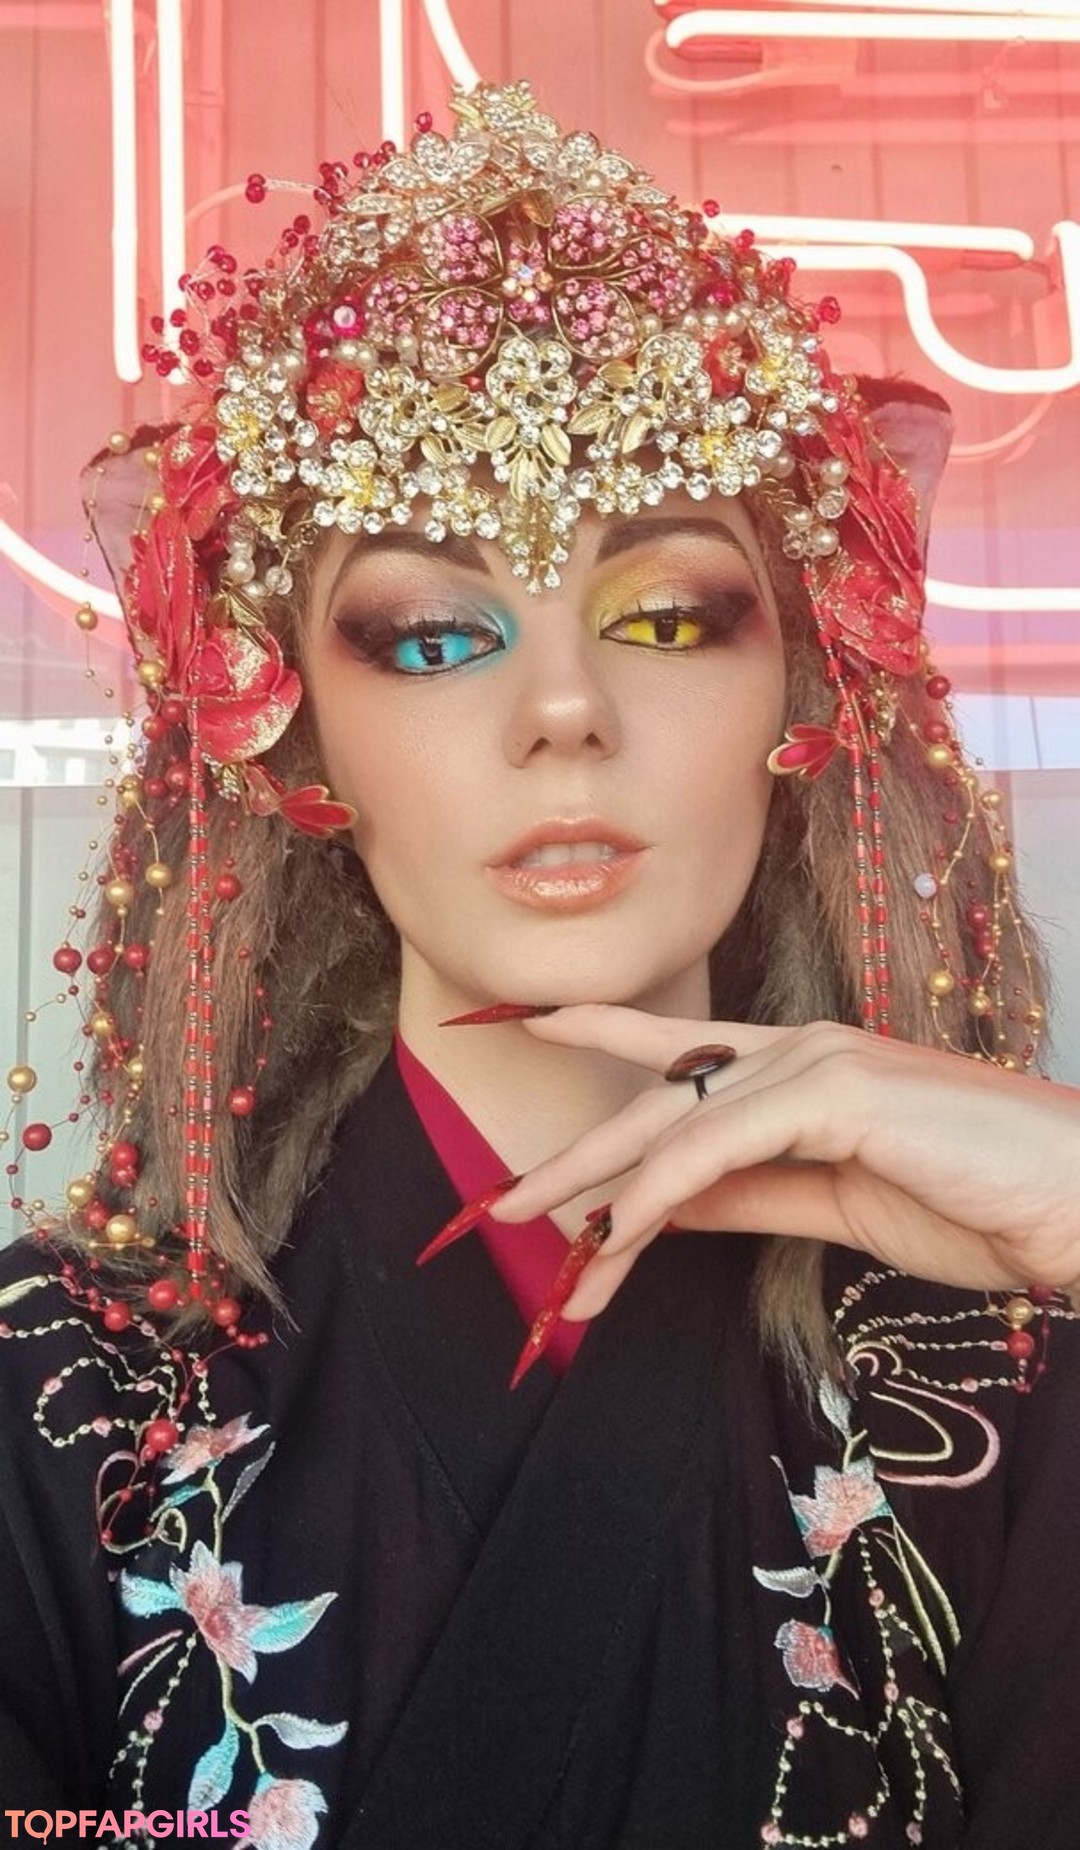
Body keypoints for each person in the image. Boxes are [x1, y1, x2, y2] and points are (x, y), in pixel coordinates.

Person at [1, 76, 1079, 1849]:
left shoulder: (997, 1369)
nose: (565, 709)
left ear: (801, 685)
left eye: (665, 615)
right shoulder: (64, 1392)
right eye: (435, 634)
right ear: (292, 726)